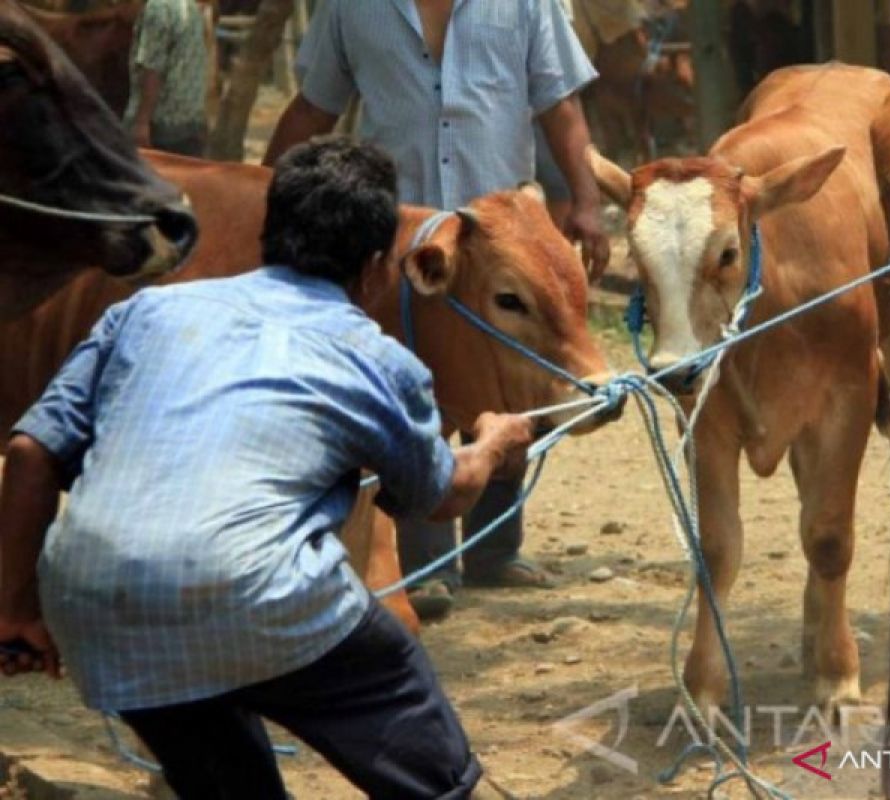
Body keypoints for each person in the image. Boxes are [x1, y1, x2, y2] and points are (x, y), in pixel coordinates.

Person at [0, 137, 532, 799]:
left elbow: (28, 452)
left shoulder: (145, 309)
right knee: (430, 760)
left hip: (98, 609)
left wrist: (16, 607)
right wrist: (492, 443)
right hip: (263, 593)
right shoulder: (372, 354)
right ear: (374, 268)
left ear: (269, 231)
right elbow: (441, 495)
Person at [265, 0, 610, 620]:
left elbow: (559, 105)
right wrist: (257, 194)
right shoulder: (350, 8)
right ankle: (425, 564)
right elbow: (315, 105)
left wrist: (586, 201)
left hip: (500, 233)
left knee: (508, 386)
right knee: (405, 387)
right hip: (398, 238)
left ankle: (495, 551)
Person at [124, 0, 209, 156]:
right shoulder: (191, 6)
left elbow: (152, 68)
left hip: (161, 124)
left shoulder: (158, 8)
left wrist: (142, 122)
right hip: (191, 121)